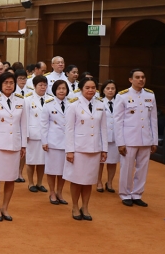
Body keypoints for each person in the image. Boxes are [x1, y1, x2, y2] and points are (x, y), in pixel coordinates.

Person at [0, 71, 27, 222]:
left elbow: (24, 125)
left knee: (10, 178)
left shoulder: (21, 101)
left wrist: (23, 145)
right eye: (6, 83)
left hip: (14, 145)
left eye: (11, 83)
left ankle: (5, 207)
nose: (9, 86)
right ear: (0, 85)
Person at [64, 77, 107, 221]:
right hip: (78, 149)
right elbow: (69, 130)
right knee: (77, 180)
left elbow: (104, 129)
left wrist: (104, 149)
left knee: (89, 180)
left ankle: (86, 206)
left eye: (93, 87)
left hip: (94, 148)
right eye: (87, 87)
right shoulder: (73, 105)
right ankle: (75, 206)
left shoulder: (101, 104)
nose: (91, 90)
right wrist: (69, 150)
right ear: (81, 89)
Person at [114, 69, 158, 207]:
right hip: (129, 139)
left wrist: (154, 140)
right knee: (127, 168)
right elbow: (118, 121)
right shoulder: (122, 96)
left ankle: (137, 194)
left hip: (145, 138)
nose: (141, 80)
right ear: (130, 80)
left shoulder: (150, 95)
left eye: (143, 77)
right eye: (137, 77)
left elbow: (153, 119)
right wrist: (120, 142)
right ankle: (125, 194)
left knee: (142, 168)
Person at [42, 80, 70, 206]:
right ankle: (52, 192)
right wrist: (44, 141)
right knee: (52, 169)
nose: (61, 91)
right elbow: (44, 124)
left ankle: (60, 192)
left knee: (63, 170)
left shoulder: (72, 104)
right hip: (52, 142)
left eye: (63, 88)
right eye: (59, 89)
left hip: (67, 142)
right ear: (54, 90)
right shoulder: (48, 104)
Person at [24, 75, 49, 193]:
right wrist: (26, 134)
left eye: (45, 85)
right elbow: (25, 118)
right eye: (40, 85)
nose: (43, 87)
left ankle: (40, 182)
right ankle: (30, 183)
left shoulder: (50, 99)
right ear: (34, 86)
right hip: (32, 134)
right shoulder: (28, 99)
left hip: (46, 135)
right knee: (31, 160)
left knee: (42, 161)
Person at [97, 80, 119, 193]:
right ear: (103, 90)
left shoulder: (120, 102)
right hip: (102, 137)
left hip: (115, 136)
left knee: (112, 161)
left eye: (113, 88)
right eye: (108, 88)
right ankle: (99, 181)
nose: (110, 90)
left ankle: (110, 182)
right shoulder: (98, 102)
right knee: (100, 162)